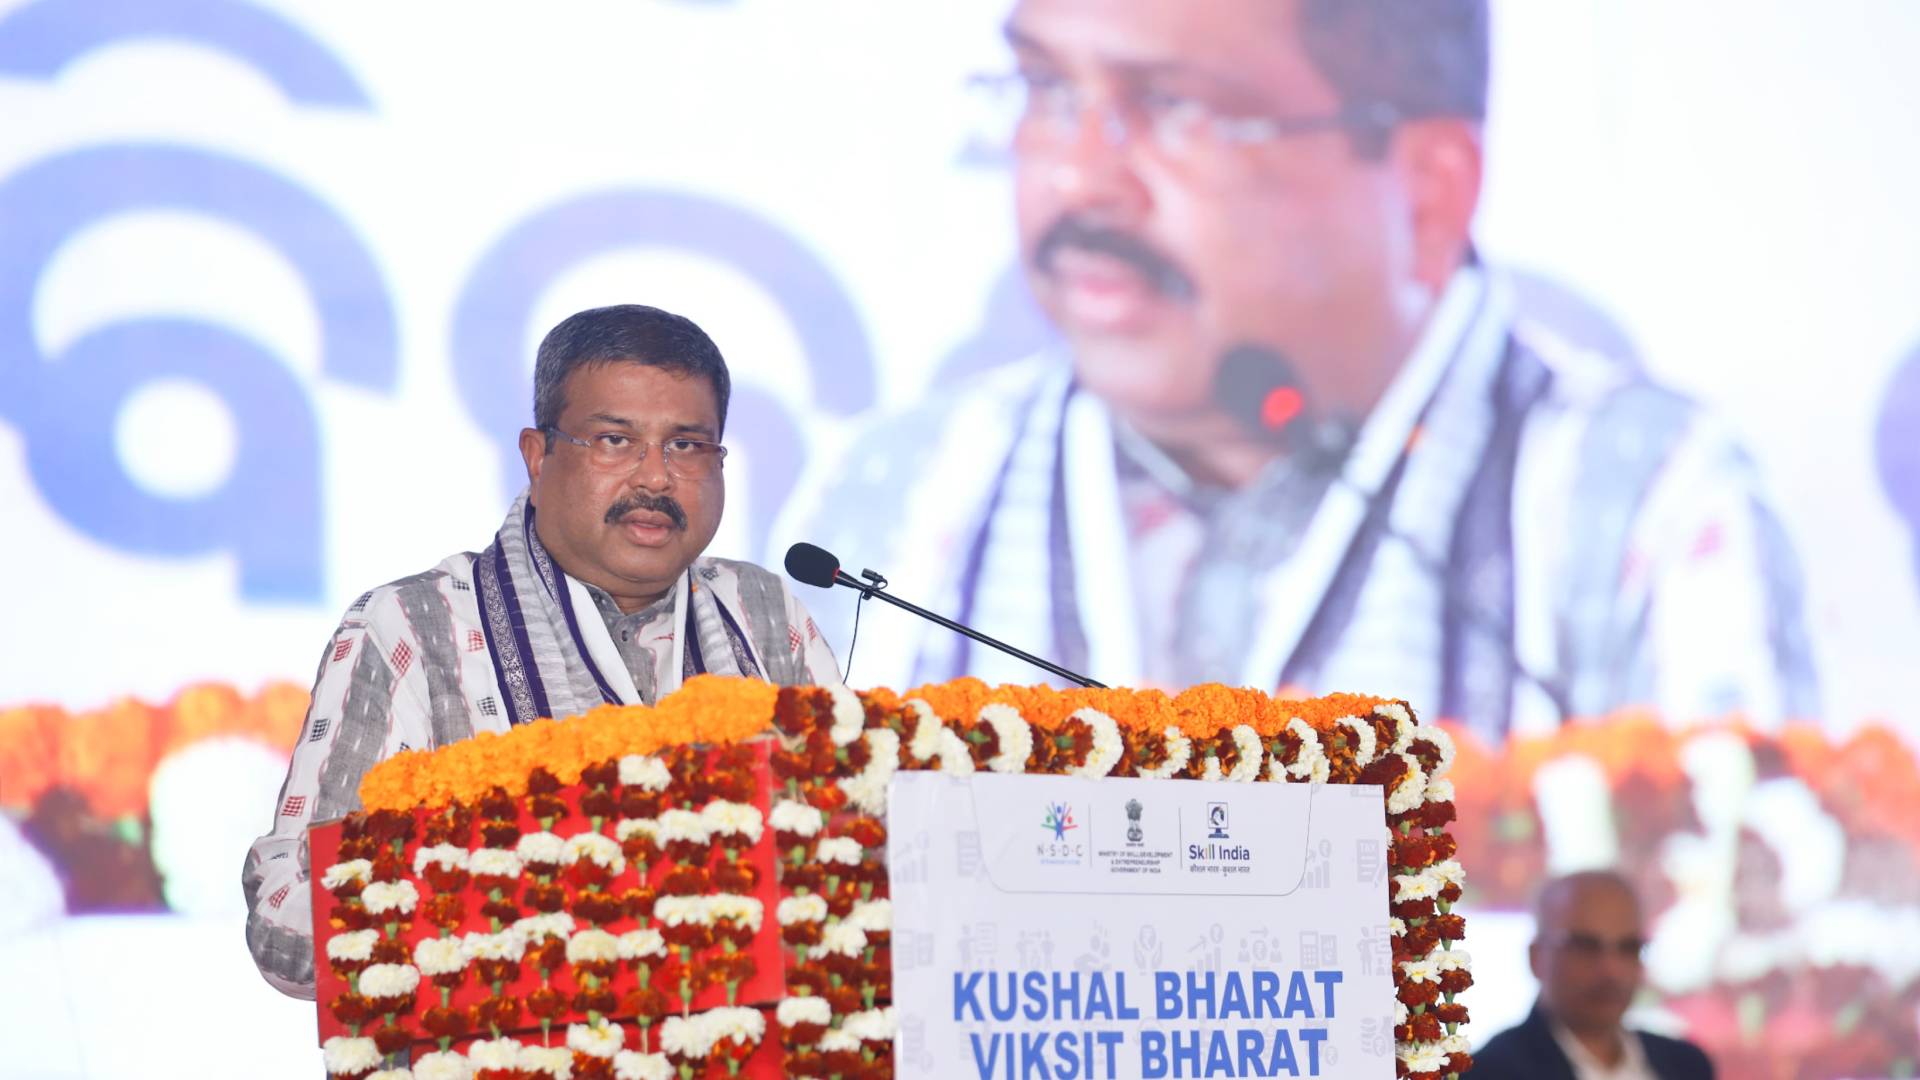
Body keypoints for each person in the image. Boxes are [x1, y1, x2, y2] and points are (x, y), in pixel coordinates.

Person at [794, 0, 1818, 736]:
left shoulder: (1635, 507)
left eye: (1177, 108)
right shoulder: (901, 494)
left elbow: (1724, 953)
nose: (1077, 177)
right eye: (1047, 89)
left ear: (1428, 189)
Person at [243, 304, 843, 998]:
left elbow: (855, 846)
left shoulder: (765, 615)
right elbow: (287, 926)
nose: (655, 478)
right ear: (537, 455)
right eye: (615, 440)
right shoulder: (415, 627)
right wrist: (521, 889)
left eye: (686, 445)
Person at [1471, 871, 1714, 1080]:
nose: (1611, 970)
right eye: (1585, 947)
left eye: (1628, 948)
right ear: (1537, 958)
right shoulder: (1490, 1072)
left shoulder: (1687, 1065)